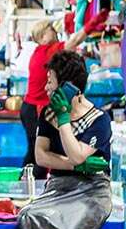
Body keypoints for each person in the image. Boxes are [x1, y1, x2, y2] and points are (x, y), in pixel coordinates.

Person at [19, 50, 114, 229]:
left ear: (68, 88)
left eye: (50, 82)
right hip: (59, 186)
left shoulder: (99, 120)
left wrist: (63, 120)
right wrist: (76, 166)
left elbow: (76, 154)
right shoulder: (47, 113)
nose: (46, 88)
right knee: (29, 216)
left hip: (92, 191)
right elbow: (41, 156)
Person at [21, 19, 91, 176]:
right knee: (37, 155)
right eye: (51, 30)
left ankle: (28, 183)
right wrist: (92, 24)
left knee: (35, 152)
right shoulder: (47, 51)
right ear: (42, 36)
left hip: (30, 108)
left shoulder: (38, 52)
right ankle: (30, 184)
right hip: (35, 109)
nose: (55, 32)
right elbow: (74, 41)